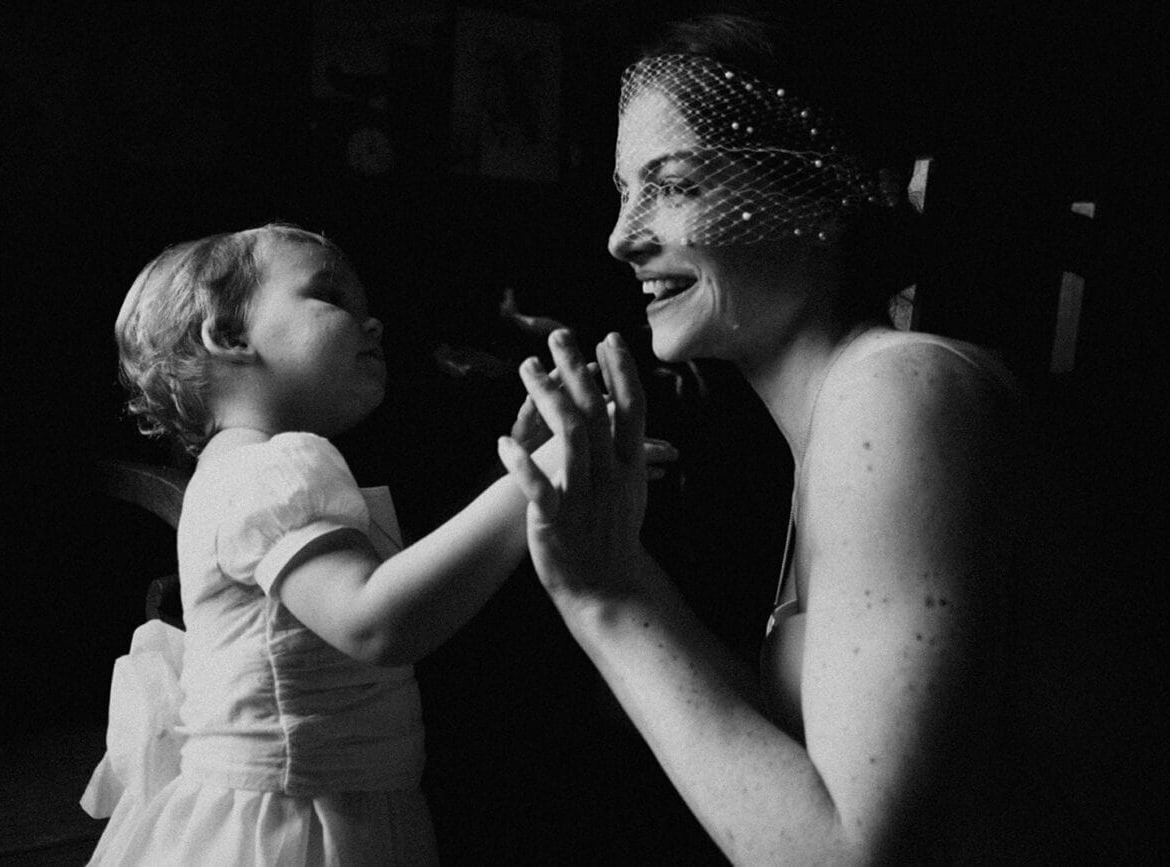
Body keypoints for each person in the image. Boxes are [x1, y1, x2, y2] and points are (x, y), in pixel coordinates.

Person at [496, 13, 1070, 863]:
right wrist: (618, 567)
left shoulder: (900, 391)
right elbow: (800, 775)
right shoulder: (840, 417)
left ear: (820, 191)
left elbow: (853, 854)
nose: (623, 237)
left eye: (677, 185)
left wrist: (602, 599)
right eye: (626, 192)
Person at [81, 222, 671, 865]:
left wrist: (510, 474)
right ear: (228, 336)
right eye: (331, 297)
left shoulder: (242, 467)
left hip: (339, 798)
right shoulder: (275, 467)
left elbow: (397, 587)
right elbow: (376, 623)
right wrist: (535, 485)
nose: (373, 324)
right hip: (299, 823)